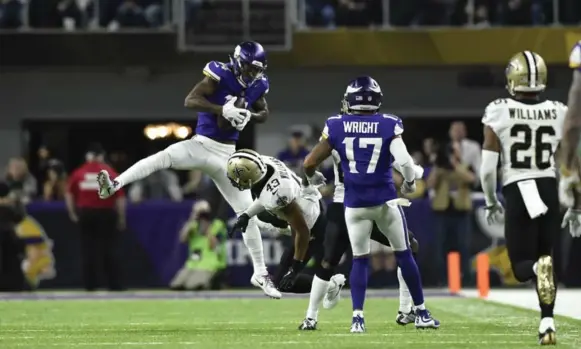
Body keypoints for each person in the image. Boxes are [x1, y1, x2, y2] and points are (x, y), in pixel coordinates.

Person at [96, 41, 280, 299]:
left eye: (256, 69)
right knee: (162, 157)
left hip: (227, 154)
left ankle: (260, 273)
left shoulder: (259, 84)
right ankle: (113, 185)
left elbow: (264, 113)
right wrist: (221, 109)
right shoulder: (219, 72)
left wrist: (250, 116)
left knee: (246, 214)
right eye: (249, 68)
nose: (252, 74)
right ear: (238, 61)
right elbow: (190, 100)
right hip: (202, 145)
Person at [303, 76, 439, 333]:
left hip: (350, 202)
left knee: (343, 260)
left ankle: (344, 318)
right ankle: (413, 310)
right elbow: (403, 162)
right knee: (406, 251)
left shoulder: (335, 127)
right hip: (382, 199)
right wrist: (411, 180)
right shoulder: (388, 124)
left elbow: (309, 162)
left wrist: (313, 179)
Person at [480, 51, 572, 345]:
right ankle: (547, 323)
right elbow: (571, 161)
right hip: (548, 187)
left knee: (523, 264)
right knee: (548, 258)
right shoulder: (559, 110)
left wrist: (491, 201)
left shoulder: (499, 109)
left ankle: (535, 270)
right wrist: (577, 204)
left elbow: (487, 168)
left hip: (518, 187)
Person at [227, 150, 341, 302]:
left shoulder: (279, 196)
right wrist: (247, 215)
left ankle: (332, 286)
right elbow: (265, 194)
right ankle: (328, 285)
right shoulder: (264, 164)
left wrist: (295, 268)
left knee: (283, 282)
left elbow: (302, 231)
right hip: (307, 202)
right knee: (262, 215)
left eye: (238, 178)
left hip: (311, 224)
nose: (235, 181)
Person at [66, 143, 127, 291]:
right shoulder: (110, 172)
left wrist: (72, 213)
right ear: (101, 157)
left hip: (86, 214)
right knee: (109, 249)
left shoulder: (79, 173)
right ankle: (113, 284)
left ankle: (90, 284)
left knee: (88, 250)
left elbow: (69, 193)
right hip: (106, 214)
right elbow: (120, 197)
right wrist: (121, 217)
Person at [170, 200, 227, 290]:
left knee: (193, 286)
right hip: (193, 263)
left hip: (209, 263)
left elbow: (214, 246)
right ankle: (207, 283)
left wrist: (208, 228)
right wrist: (191, 220)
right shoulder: (193, 226)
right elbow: (182, 239)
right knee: (176, 285)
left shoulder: (217, 225)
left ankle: (212, 283)